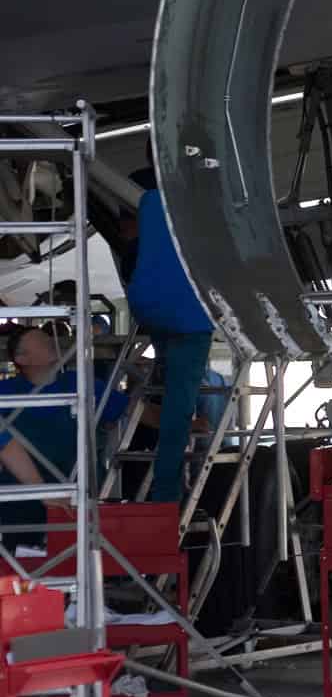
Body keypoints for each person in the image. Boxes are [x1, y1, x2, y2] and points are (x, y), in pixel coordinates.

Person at [124, 166, 213, 504]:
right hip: (188, 311)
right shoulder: (204, 201)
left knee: (172, 374)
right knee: (180, 406)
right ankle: (166, 493)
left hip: (148, 302)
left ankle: (165, 365)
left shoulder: (147, 199)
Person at [0, 325, 129, 548]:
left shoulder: (81, 383)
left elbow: (133, 410)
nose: (50, 341)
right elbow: (5, 444)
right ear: (21, 358)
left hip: (80, 495)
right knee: (23, 568)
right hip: (22, 503)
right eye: (41, 340)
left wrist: (181, 423)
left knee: (83, 561)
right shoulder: (4, 392)